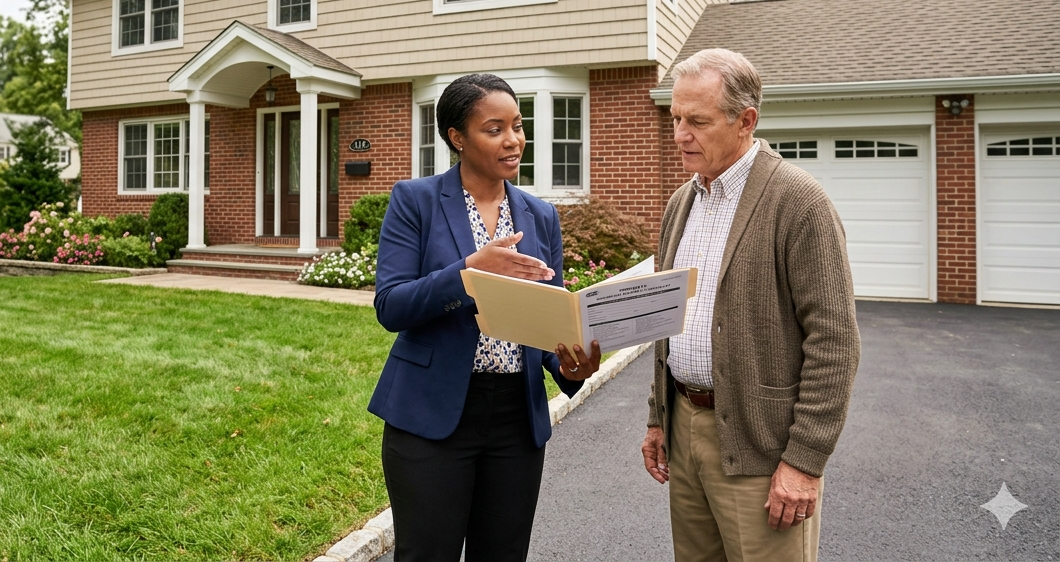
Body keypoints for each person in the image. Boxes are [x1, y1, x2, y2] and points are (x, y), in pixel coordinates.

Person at [640, 48, 861, 562]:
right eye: (675, 118)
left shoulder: (799, 202)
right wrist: (658, 417)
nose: (680, 134)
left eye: (697, 120)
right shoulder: (681, 202)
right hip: (685, 427)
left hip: (762, 446)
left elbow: (834, 342)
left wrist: (804, 462)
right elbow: (670, 317)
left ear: (747, 121)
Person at [369, 73, 600, 562]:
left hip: (516, 420)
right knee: (427, 553)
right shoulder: (416, 201)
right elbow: (391, 306)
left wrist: (568, 366)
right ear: (457, 137)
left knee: (503, 553)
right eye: (494, 129)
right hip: (432, 415)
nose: (513, 139)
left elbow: (546, 319)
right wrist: (470, 271)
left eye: (517, 125)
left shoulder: (540, 215)